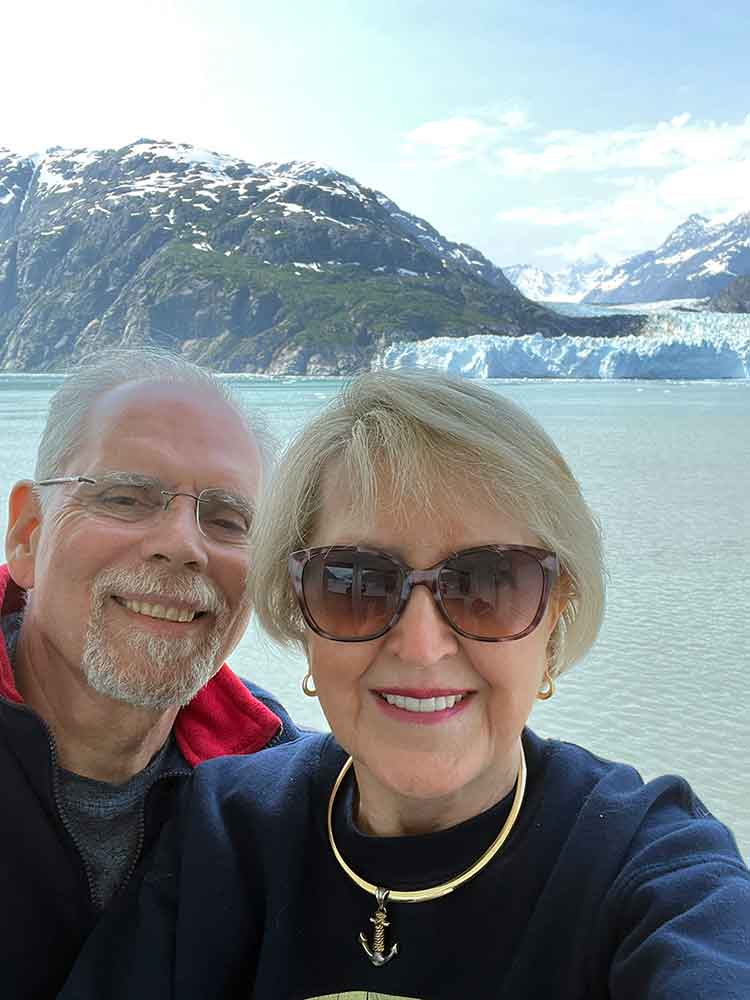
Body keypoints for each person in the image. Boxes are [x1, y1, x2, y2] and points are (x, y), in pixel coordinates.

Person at [60, 369, 749, 999]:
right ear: (302, 617)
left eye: (488, 584)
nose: (421, 647)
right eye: (355, 583)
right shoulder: (225, 833)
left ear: (556, 614)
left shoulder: (646, 862)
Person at [1, 349, 298, 999]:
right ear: (27, 535)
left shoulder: (285, 793)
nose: (185, 544)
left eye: (227, 519)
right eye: (127, 498)